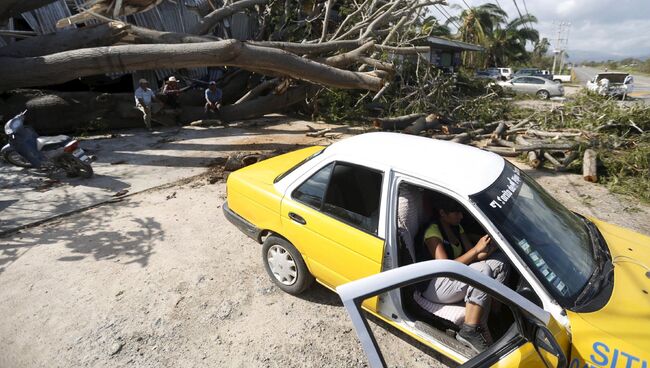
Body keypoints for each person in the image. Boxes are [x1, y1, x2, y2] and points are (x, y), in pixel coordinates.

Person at [420, 198, 510, 353]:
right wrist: (476, 250)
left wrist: (490, 247)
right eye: (456, 213)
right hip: (434, 285)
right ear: (442, 213)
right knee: (483, 270)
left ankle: (494, 315)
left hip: (455, 275)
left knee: (500, 262)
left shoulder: (457, 227)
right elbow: (444, 268)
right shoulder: (433, 232)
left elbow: (473, 256)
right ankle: (470, 330)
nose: (461, 216)